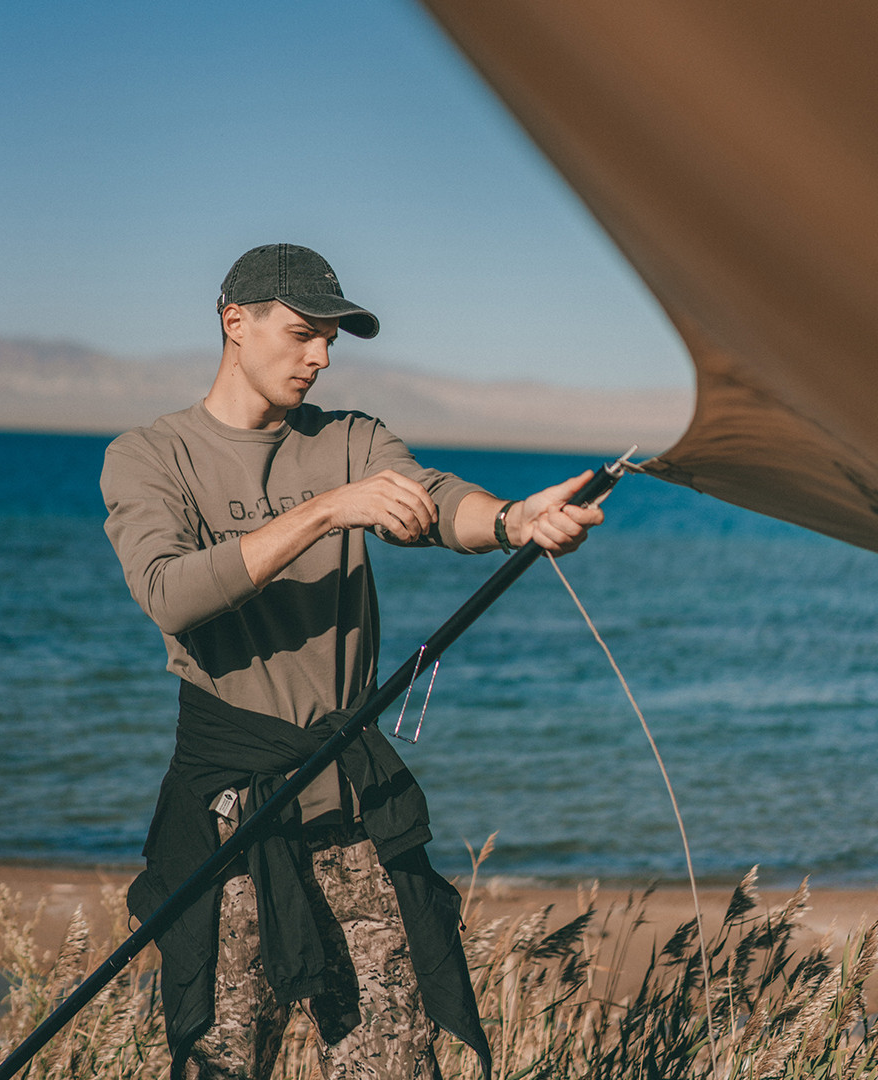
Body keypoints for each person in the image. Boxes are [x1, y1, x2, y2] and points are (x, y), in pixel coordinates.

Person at [100, 243, 603, 1080]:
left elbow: (437, 503)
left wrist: (513, 520)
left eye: (331, 338)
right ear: (236, 322)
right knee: (218, 1062)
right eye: (302, 334)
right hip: (229, 820)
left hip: (351, 814)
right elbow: (169, 592)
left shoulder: (351, 439)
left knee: (397, 1065)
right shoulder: (151, 456)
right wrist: (328, 511)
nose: (321, 357)